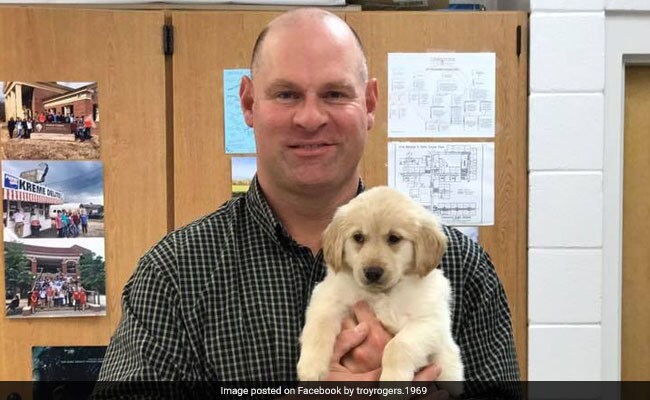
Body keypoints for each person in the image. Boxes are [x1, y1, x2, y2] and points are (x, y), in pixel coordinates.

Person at [97, 8, 520, 398]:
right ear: (248, 103)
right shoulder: (175, 275)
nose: (310, 118)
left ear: (369, 104)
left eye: (335, 94)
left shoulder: (462, 269)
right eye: (286, 95)